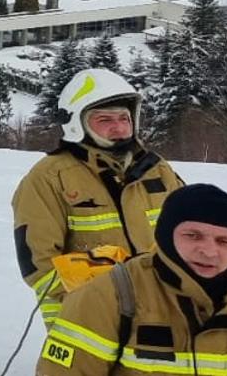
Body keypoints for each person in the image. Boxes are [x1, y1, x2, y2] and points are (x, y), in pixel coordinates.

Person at [13, 68, 183, 328]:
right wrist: (106, 296)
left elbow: (192, 231)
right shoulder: (48, 177)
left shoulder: (157, 170)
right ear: (77, 124)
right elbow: (39, 264)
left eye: (124, 118)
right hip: (88, 318)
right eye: (104, 120)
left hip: (163, 311)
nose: (118, 128)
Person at [37, 183, 227, 375]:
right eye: (193, 235)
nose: (209, 252)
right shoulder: (109, 296)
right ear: (165, 234)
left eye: (224, 241)